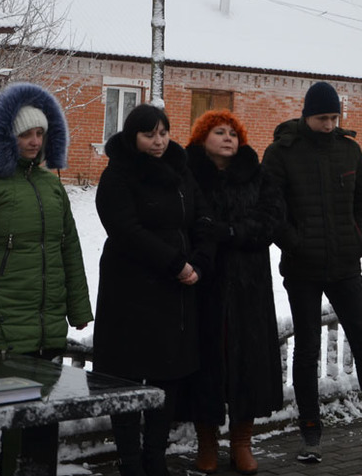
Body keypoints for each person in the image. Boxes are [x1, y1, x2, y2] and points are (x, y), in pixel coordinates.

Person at [261, 81, 362, 463]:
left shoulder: (349, 150)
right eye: (322, 117)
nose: (329, 124)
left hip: (345, 265)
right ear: (307, 115)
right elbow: (271, 210)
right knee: (307, 350)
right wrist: (295, 242)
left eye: (334, 117)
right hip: (302, 268)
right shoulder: (280, 154)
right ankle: (310, 433)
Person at [93, 104, 217, 476]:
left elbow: (203, 218)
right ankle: (130, 462)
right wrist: (175, 264)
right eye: (150, 134)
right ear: (134, 137)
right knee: (127, 378)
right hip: (131, 290)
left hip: (175, 292)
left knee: (168, 373)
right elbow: (126, 231)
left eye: (163, 132)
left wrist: (199, 261)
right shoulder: (118, 175)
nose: (159, 141)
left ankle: (155, 458)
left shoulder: (180, 170)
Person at [0, 82, 94, 476]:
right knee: (0, 420)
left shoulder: (50, 185)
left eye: (40, 133)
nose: (33, 141)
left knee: (44, 419)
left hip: (47, 327)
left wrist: (78, 308)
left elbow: (69, 248)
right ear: (6, 135)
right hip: (4, 327)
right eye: (25, 133)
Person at [184, 110, 284, 475]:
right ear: (202, 138)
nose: (228, 138)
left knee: (248, 363)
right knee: (205, 361)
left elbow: (271, 220)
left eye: (233, 133)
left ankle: (242, 443)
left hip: (248, 286)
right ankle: (206, 443)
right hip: (203, 283)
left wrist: (230, 232)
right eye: (219, 132)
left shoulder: (258, 176)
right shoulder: (188, 175)